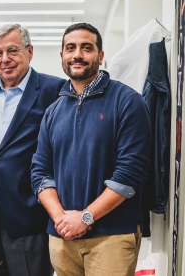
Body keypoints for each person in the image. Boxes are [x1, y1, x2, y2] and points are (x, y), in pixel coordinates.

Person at [30, 23, 151, 276]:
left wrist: (85, 218)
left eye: (87, 48)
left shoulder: (127, 101)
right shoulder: (53, 112)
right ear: (62, 56)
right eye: (70, 48)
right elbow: (40, 172)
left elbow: (130, 173)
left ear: (100, 55)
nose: (77, 55)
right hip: (62, 237)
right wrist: (61, 219)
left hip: (112, 237)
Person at [0, 23, 65, 276]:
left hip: (27, 210)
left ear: (30, 52)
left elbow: (59, 148)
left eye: (13, 51)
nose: (5, 59)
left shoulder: (53, 89)